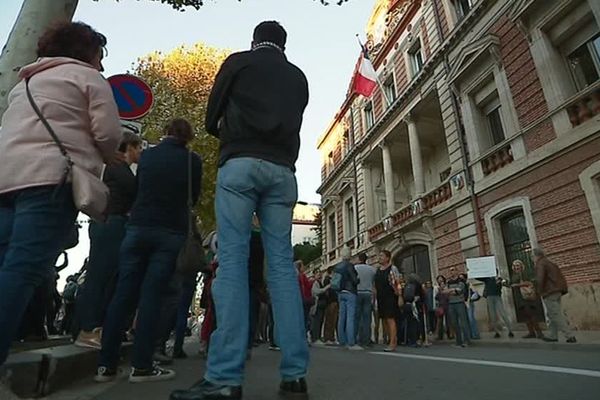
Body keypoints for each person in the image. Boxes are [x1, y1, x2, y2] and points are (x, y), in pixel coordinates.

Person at [170, 21, 309, 400]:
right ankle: (295, 376)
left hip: (241, 162)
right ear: (283, 44)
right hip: (283, 171)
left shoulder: (238, 63)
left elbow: (211, 117)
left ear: (254, 40)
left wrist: (232, 132)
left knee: (231, 261)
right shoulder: (298, 77)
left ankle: (225, 377)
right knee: (281, 268)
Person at [0, 21, 121, 373]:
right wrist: (106, 152)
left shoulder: (25, 84)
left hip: (6, 182)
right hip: (50, 179)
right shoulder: (89, 79)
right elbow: (108, 132)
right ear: (89, 52)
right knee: (22, 271)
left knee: (6, 264)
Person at [97, 118, 202, 383]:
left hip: (138, 228)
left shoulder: (147, 157)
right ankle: (142, 366)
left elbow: (139, 187)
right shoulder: (193, 161)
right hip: (170, 233)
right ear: (188, 137)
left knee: (123, 293)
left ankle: (105, 365)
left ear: (165, 132)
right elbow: (195, 197)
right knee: (152, 298)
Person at [75, 132, 143, 349]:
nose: (140, 152)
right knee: (99, 276)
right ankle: (87, 328)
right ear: (129, 148)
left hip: (110, 223)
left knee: (105, 276)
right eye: (138, 147)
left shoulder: (117, 168)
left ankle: (89, 327)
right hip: (111, 224)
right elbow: (134, 192)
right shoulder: (117, 167)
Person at [533, 249, 576, 343]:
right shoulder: (550, 263)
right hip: (557, 291)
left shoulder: (541, 264)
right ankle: (553, 335)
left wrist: (538, 292)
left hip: (549, 292)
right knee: (551, 313)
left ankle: (569, 335)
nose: (533, 259)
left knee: (555, 314)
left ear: (535, 256)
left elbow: (540, 279)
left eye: (533, 257)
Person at [374, 250, 400, 352]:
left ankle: (393, 342)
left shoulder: (392, 269)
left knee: (390, 319)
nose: (379, 257)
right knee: (384, 319)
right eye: (379, 256)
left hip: (390, 297)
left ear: (387, 258)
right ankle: (390, 339)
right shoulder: (378, 270)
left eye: (381, 256)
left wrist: (400, 295)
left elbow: (398, 282)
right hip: (381, 298)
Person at [509, 259, 543, 339]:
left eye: (517, 265)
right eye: (514, 266)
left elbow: (530, 283)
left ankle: (539, 332)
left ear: (521, 266)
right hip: (519, 298)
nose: (516, 267)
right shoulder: (514, 275)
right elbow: (512, 285)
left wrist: (517, 285)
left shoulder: (525, 273)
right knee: (525, 316)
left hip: (527, 297)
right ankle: (531, 332)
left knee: (532, 315)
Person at [335, 248, 361, 350]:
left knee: (341, 317)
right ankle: (351, 342)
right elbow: (354, 280)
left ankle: (342, 340)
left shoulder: (337, 266)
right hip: (350, 292)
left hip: (340, 293)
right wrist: (358, 280)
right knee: (350, 317)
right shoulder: (350, 266)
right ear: (349, 255)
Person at [478, 273, 514, 338]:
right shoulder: (487, 279)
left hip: (497, 297)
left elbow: (507, 284)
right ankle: (496, 332)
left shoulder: (499, 279)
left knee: (503, 313)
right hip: (489, 297)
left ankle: (510, 330)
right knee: (492, 315)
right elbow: (478, 278)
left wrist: (502, 282)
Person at [444, 267, 471, 348]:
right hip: (451, 304)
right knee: (454, 323)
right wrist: (452, 290)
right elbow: (444, 292)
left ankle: (467, 341)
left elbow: (458, 291)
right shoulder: (448, 282)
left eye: (453, 270)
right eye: (450, 270)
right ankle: (458, 341)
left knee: (463, 322)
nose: (451, 272)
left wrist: (450, 290)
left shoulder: (461, 281)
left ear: (457, 271)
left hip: (460, 303)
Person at [354, 253, 376, 347]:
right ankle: (367, 339)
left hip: (357, 292)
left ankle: (358, 338)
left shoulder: (354, 268)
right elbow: (374, 283)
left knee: (357, 317)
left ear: (359, 259)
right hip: (368, 293)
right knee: (367, 318)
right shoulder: (372, 269)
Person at [309, 271, 330, 344]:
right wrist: (326, 288)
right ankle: (315, 338)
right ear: (314, 275)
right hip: (317, 305)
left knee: (320, 321)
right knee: (316, 322)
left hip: (321, 304)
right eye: (318, 274)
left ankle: (318, 337)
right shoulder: (315, 283)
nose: (320, 275)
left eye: (320, 274)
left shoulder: (320, 282)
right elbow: (316, 291)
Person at [460, 273, 480, 340]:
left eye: (462, 278)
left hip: (469, 302)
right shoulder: (460, 286)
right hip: (463, 303)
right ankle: (469, 334)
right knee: (465, 319)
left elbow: (475, 292)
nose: (461, 279)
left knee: (471, 318)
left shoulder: (469, 285)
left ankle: (475, 334)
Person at [322, 267, 339, 345]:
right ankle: (328, 337)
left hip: (333, 301)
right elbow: (327, 292)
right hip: (331, 302)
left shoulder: (330, 280)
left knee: (333, 320)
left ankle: (331, 337)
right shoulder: (327, 280)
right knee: (330, 320)